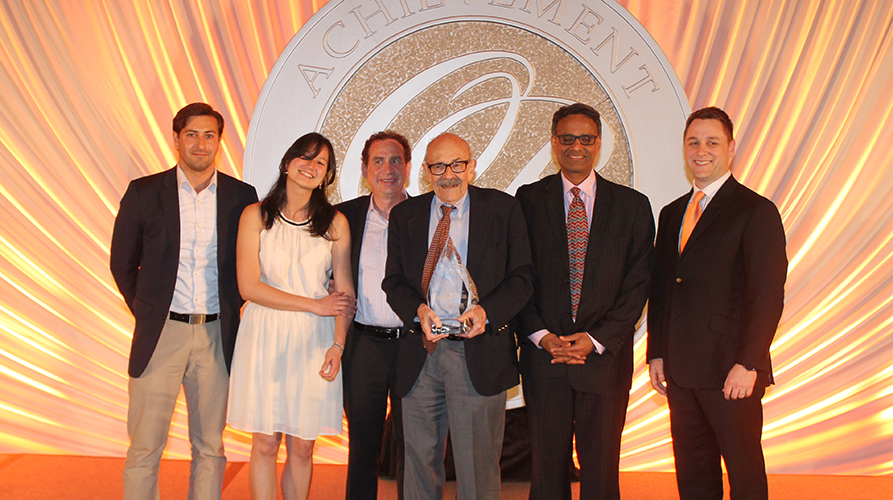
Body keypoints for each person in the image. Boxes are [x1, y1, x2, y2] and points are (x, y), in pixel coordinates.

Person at [110, 102, 259, 500]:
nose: (200, 143)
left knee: (210, 447)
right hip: (161, 335)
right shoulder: (144, 192)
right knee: (145, 446)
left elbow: (249, 264)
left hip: (216, 335)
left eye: (209, 135)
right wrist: (148, 312)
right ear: (176, 139)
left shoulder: (242, 196)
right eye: (191, 134)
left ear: (219, 142)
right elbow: (122, 263)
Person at [382, 133, 534, 500]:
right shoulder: (406, 215)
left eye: (457, 164)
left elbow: (523, 278)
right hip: (422, 352)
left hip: (478, 352)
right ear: (426, 171)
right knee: (418, 463)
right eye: (438, 166)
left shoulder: (503, 209)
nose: (448, 174)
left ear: (472, 165)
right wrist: (417, 312)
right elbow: (394, 281)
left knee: (477, 466)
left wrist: (487, 313)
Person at [515, 102, 655, 500]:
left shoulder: (632, 206)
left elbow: (638, 284)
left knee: (601, 471)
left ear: (598, 144)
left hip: (603, 360)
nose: (576, 146)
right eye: (566, 138)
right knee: (546, 471)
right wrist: (541, 334)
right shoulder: (527, 201)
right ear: (554, 142)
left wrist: (594, 339)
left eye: (586, 138)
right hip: (545, 357)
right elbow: (517, 277)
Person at [647, 106, 787, 500]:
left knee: (743, 474)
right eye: (694, 142)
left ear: (731, 148)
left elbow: (767, 296)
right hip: (679, 370)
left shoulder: (755, 210)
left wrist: (749, 363)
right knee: (693, 474)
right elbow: (661, 291)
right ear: (684, 148)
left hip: (732, 372)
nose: (701, 150)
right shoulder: (672, 212)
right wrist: (657, 353)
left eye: (712, 142)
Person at [227, 133, 356, 500]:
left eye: (321, 163)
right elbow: (249, 287)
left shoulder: (336, 223)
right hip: (264, 332)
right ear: (287, 162)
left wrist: (337, 344)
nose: (311, 166)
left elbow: (344, 294)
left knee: (302, 446)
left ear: (327, 175)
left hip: (315, 341)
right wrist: (315, 304)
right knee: (266, 442)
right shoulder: (256, 215)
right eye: (305, 157)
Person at [335, 131, 411, 500]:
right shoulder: (344, 217)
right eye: (378, 161)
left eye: (395, 160)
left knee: (415, 443)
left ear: (408, 168)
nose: (388, 169)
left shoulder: (427, 214)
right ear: (365, 169)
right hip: (363, 345)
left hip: (414, 346)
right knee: (362, 442)